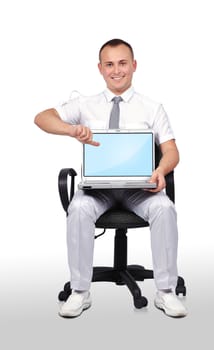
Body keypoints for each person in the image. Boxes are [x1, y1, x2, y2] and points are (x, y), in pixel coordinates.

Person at [34, 38, 187, 318]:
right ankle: (80, 292)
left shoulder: (152, 108)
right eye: (109, 64)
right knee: (78, 208)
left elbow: (171, 151)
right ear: (101, 69)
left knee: (164, 208)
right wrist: (71, 130)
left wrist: (161, 170)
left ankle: (166, 292)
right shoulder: (84, 104)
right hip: (98, 190)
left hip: (139, 189)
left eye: (122, 63)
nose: (116, 70)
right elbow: (42, 118)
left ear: (134, 66)